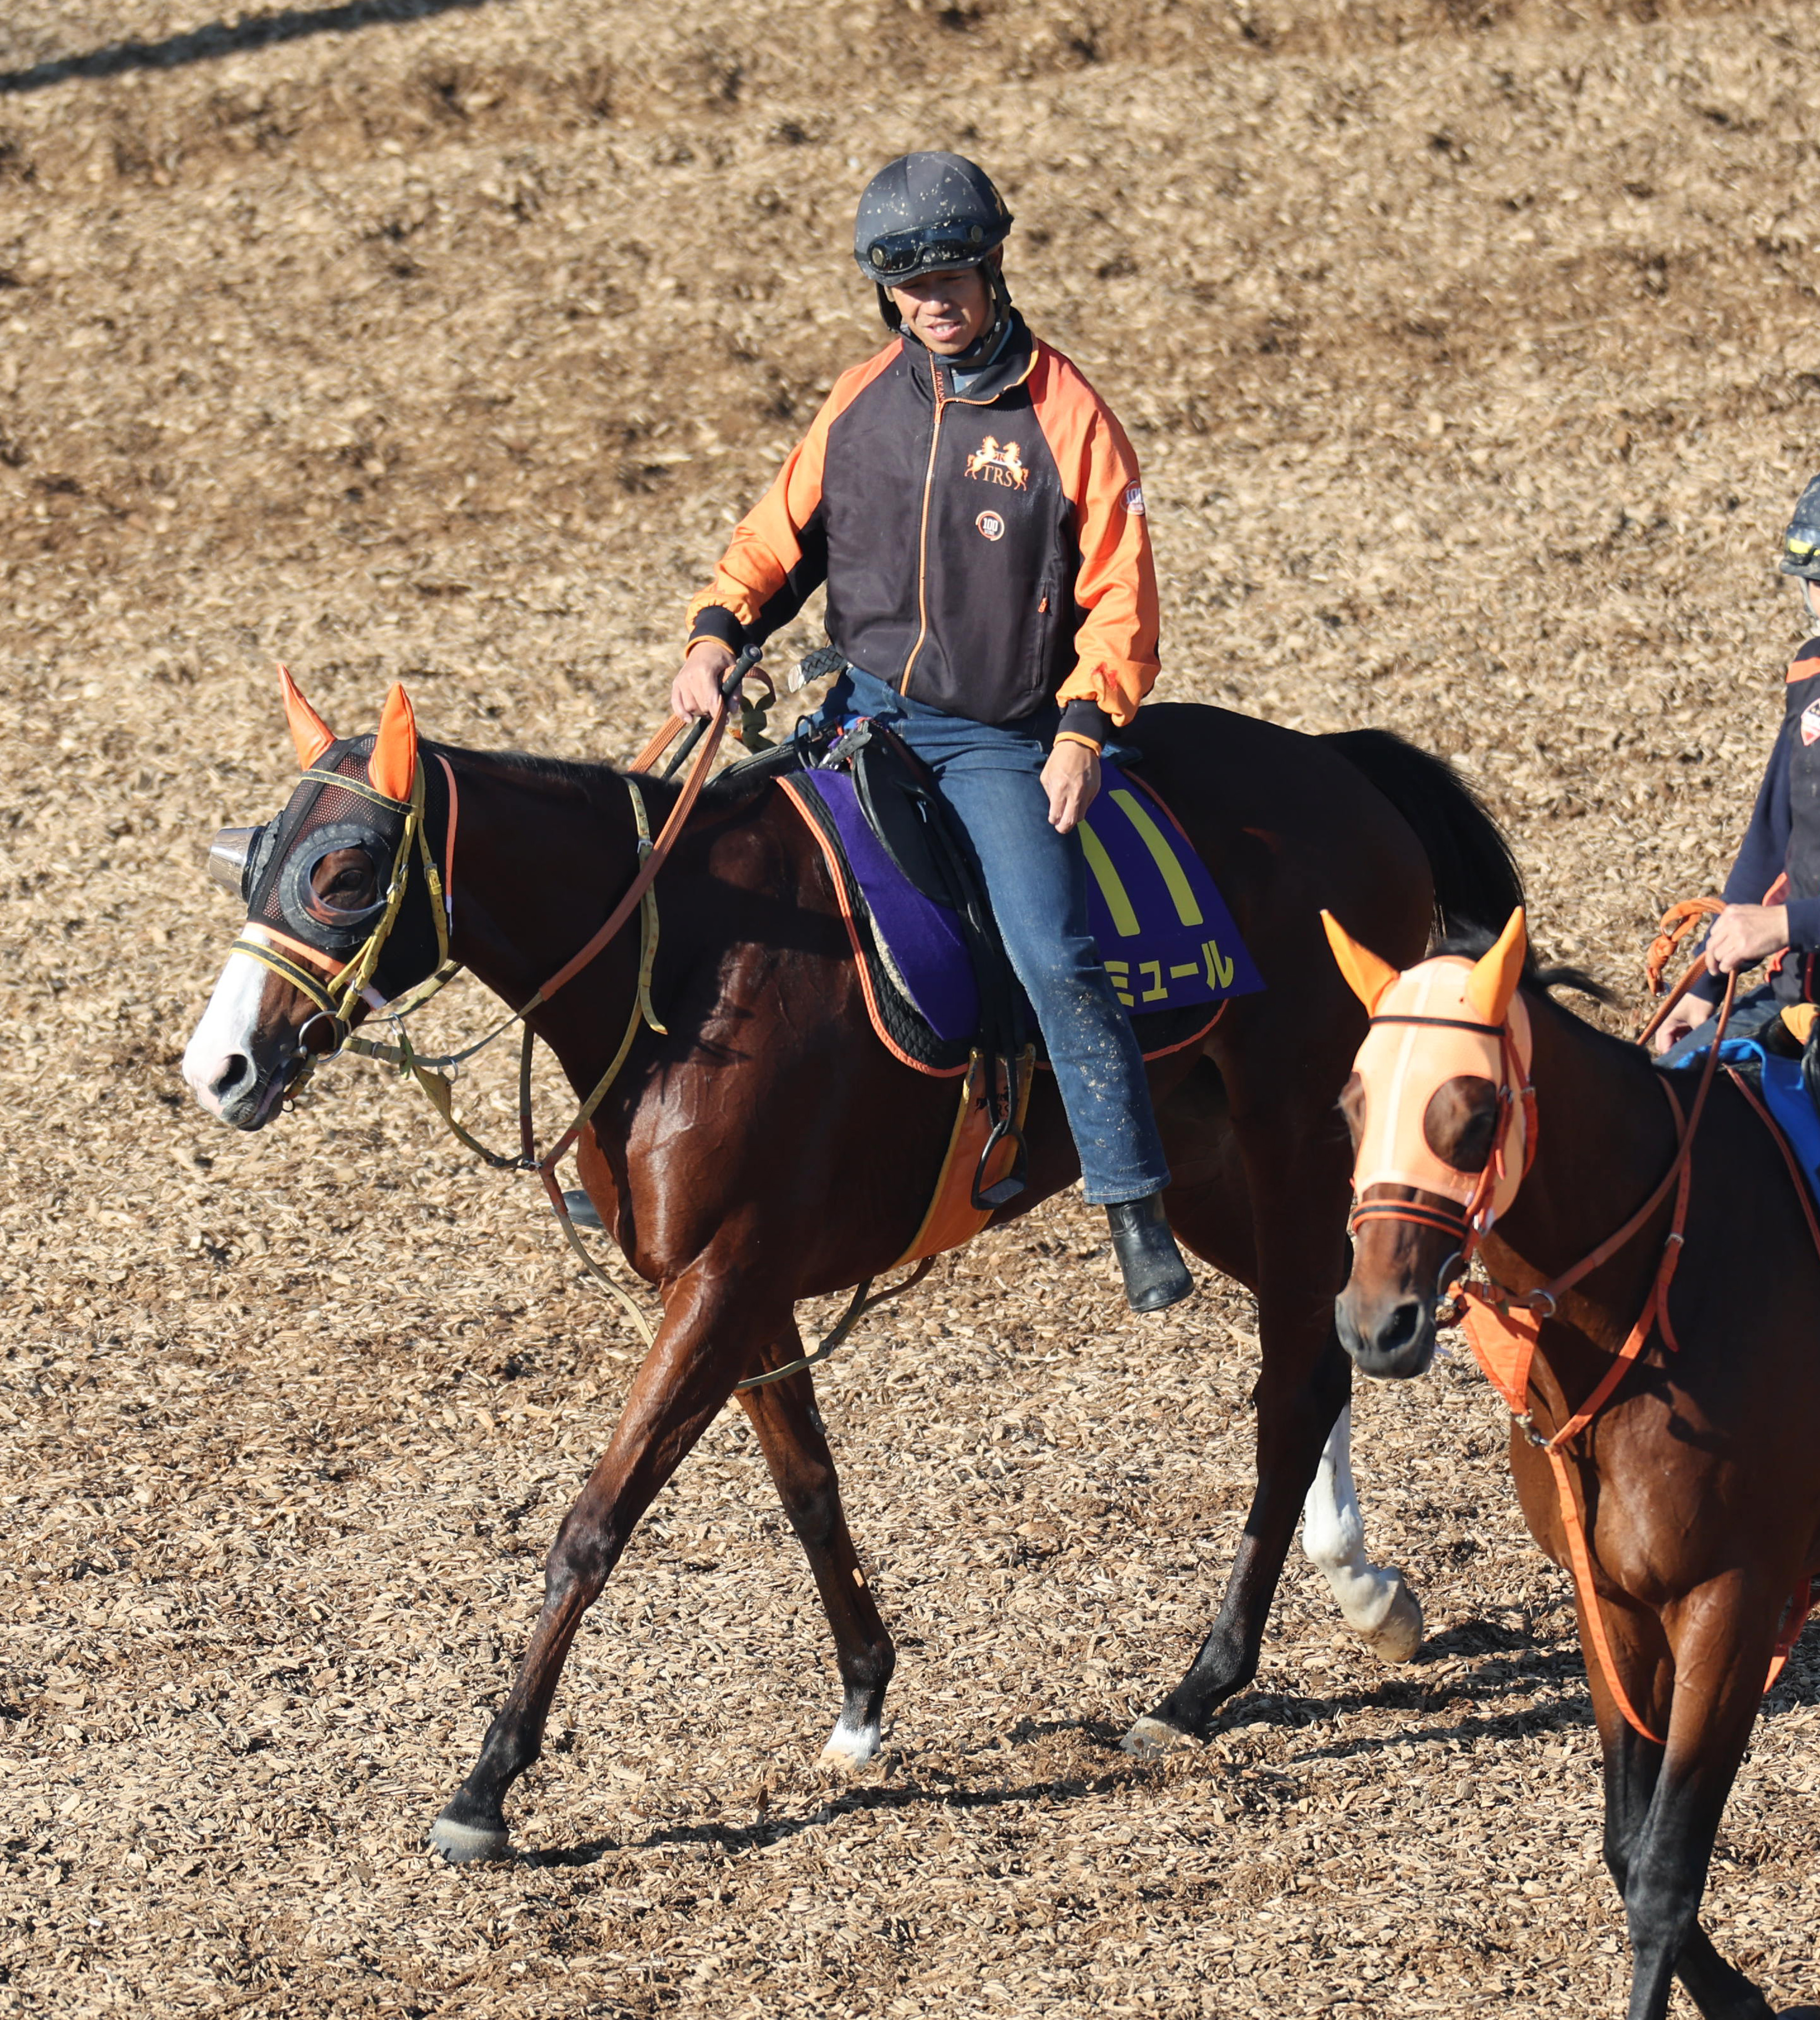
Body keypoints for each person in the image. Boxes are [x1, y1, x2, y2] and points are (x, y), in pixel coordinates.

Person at [669, 151, 1193, 1311]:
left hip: (994, 739)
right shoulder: (861, 397)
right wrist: (715, 631)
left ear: (991, 267)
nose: (931, 303)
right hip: (856, 714)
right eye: (907, 286)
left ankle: (1129, 1192)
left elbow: (1120, 594)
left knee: (1051, 948)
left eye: (949, 276)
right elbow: (778, 535)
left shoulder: (1066, 414)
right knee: (707, 874)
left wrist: (1080, 729)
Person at [1655, 473, 1820, 1061]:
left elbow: (1784, 921)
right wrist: (1707, 982)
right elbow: (1772, 837)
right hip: (1797, 994)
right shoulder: (1811, 676)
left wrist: (1785, 925)